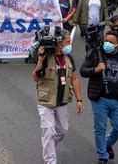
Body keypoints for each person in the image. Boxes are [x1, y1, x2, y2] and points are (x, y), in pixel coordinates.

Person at [80, 31, 118, 163]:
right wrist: (95, 70)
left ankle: (107, 144)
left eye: (111, 42)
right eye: (106, 41)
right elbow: (83, 70)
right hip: (100, 99)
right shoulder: (96, 54)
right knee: (100, 128)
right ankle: (103, 155)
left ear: (117, 45)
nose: (107, 44)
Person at [32, 29, 83, 164]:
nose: (69, 45)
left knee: (62, 130)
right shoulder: (46, 56)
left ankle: (48, 148)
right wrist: (40, 60)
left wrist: (79, 100)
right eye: (67, 42)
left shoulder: (69, 58)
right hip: (46, 101)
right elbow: (36, 78)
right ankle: (50, 160)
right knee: (48, 131)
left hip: (62, 101)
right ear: (59, 43)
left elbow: (74, 79)